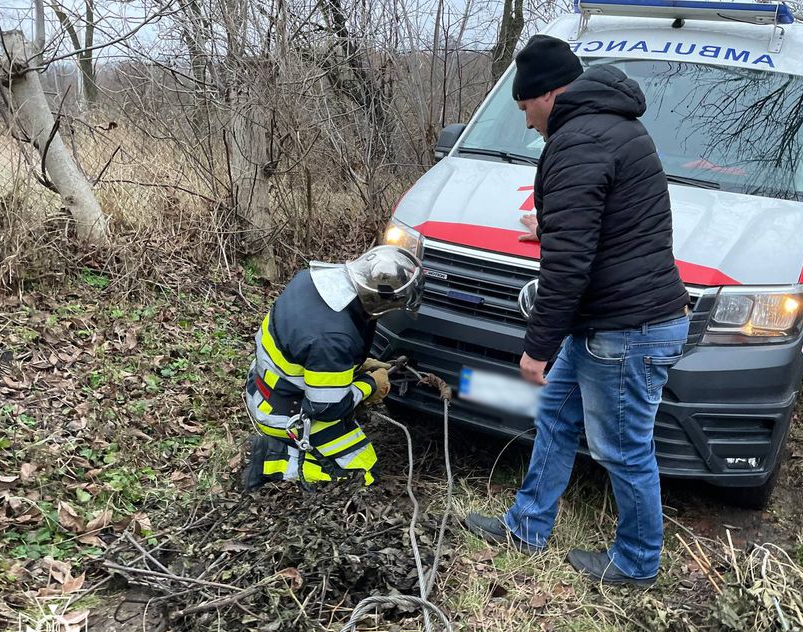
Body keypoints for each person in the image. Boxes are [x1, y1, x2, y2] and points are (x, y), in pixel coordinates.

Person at [464, 35, 690, 587]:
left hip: (624, 332)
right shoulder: (614, 127)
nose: (526, 123)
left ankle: (637, 562)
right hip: (614, 323)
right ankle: (526, 526)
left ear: (549, 94)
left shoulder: (578, 141)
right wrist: (556, 224)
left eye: (525, 108)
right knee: (557, 418)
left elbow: (567, 268)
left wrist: (536, 347)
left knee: (623, 449)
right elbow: (611, 225)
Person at [242, 245, 424, 491]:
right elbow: (327, 408)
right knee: (362, 471)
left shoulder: (311, 279)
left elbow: (309, 352)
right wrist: (371, 385)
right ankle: (272, 459)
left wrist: (354, 366)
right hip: (286, 411)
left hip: (266, 385)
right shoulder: (331, 338)